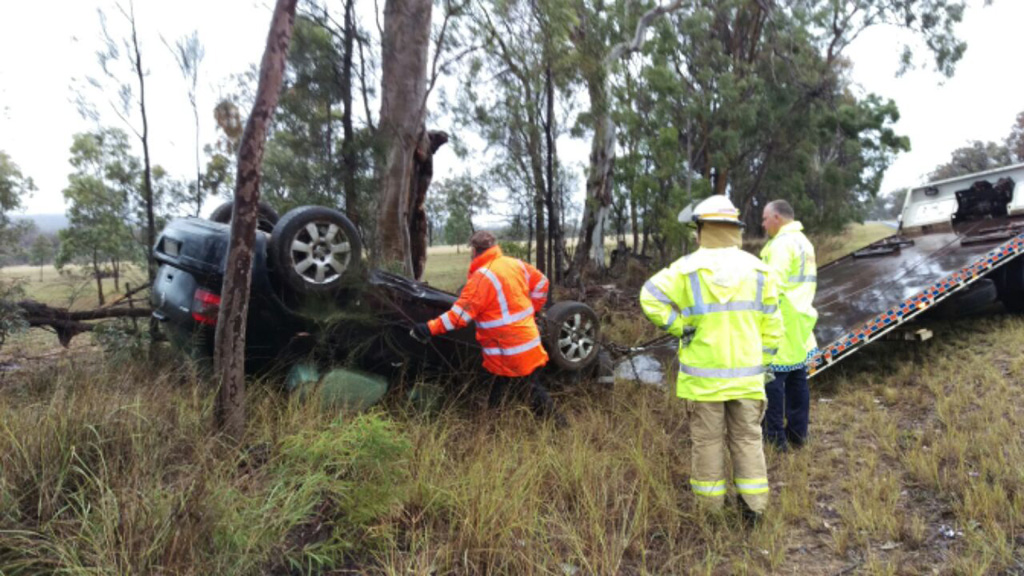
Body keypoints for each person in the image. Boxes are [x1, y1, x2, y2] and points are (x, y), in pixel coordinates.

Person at [640, 195, 783, 524]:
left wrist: (680, 327)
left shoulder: (685, 269)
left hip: (703, 381)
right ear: (734, 229)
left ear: (703, 229)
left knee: (707, 443)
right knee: (748, 440)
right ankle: (754, 510)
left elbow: (649, 297)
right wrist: (763, 366)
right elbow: (774, 326)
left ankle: (711, 513)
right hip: (748, 379)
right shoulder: (760, 270)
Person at [411, 230, 562, 422]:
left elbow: (458, 317)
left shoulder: (482, 278)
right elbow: (542, 282)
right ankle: (491, 426)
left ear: (474, 250)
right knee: (499, 387)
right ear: (493, 247)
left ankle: (559, 426)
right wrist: (533, 309)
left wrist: (427, 328)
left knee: (531, 392)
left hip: (511, 350)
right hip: (521, 343)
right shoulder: (514, 264)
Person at [760, 199, 818, 452]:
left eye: (764, 219)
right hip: (801, 319)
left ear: (777, 218)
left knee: (773, 381)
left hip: (781, 321)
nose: (762, 224)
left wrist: (759, 318)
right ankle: (798, 434)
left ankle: (775, 439)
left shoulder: (782, 245)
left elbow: (771, 287)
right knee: (797, 379)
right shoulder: (804, 242)